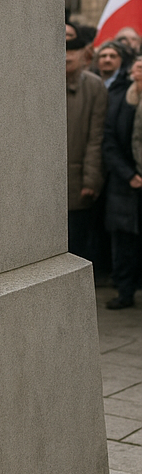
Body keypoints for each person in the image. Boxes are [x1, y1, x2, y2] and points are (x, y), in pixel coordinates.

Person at [67, 23, 108, 259]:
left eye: (73, 50)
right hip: (44, 184)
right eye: (63, 49)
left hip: (78, 180)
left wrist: (91, 179)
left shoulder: (93, 86)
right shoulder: (41, 83)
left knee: (77, 247)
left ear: (83, 54)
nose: (67, 56)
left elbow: (96, 136)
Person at [105, 58, 142, 309]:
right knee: (125, 243)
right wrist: (129, 174)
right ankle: (125, 292)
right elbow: (109, 141)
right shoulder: (120, 99)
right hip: (125, 184)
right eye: (138, 66)